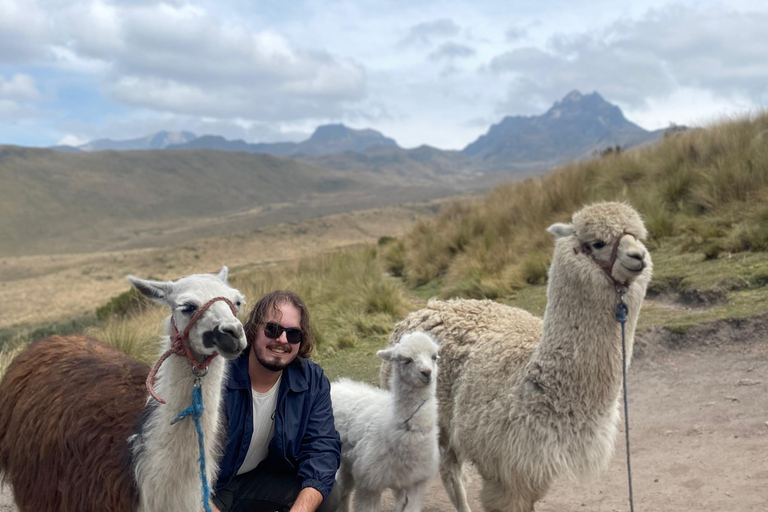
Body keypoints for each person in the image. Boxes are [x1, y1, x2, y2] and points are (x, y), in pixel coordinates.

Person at [213, 290, 341, 512]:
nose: (282, 340)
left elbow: (322, 447)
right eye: (272, 329)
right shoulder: (217, 376)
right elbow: (181, 465)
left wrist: (301, 509)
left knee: (325, 495)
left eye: (293, 334)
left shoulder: (311, 379)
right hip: (212, 488)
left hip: (260, 479)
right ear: (253, 330)